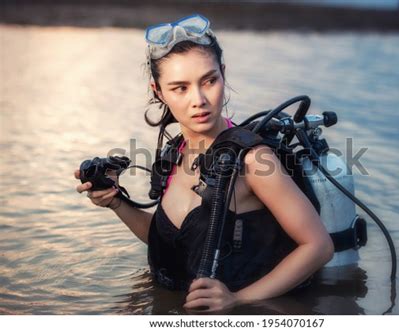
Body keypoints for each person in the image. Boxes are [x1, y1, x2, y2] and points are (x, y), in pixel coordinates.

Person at [74, 14, 334, 313]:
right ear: (158, 91)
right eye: (180, 88)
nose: (198, 99)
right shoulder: (173, 153)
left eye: (209, 81)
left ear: (223, 74)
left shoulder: (253, 160)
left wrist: (239, 299)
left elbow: (318, 246)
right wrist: (117, 203)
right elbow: (170, 242)